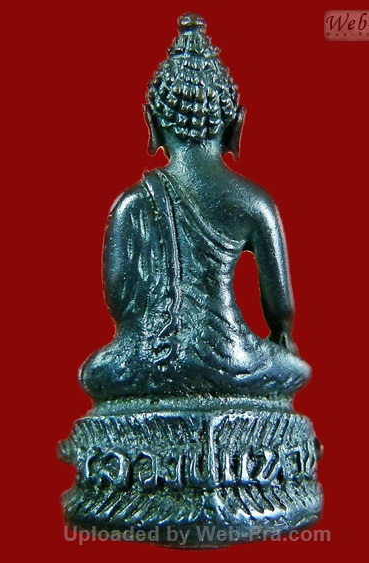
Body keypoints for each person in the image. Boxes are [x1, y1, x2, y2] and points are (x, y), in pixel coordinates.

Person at [79, 13, 311, 401]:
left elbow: (119, 302)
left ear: (152, 122)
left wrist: (150, 334)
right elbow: (281, 308)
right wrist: (281, 339)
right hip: (235, 358)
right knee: (296, 369)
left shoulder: (131, 202)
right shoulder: (255, 201)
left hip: (151, 358)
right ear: (235, 124)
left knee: (94, 372)